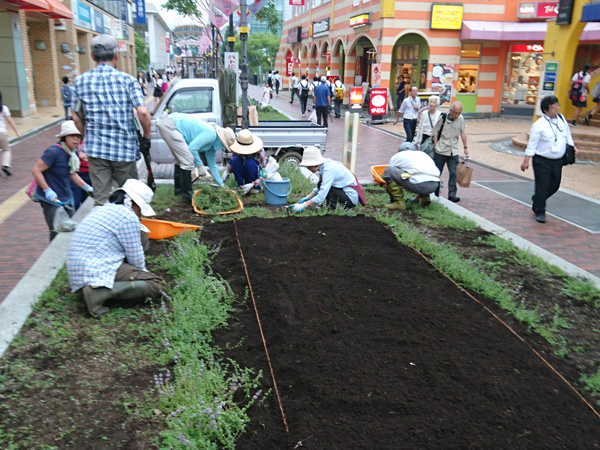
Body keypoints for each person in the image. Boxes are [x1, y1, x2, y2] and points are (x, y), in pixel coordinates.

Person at [66, 178, 165, 317]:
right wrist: (143, 274)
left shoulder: (102, 209)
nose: (141, 214)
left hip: (78, 271)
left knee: (142, 235)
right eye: (141, 209)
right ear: (134, 203)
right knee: (156, 285)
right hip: (95, 267)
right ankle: (99, 292)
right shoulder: (127, 217)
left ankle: (96, 287)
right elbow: (135, 258)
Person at [72, 34, 151, 206]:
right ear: (116, 55)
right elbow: (143, 112)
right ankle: (130, 231)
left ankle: (103, 229)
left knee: (101, 199)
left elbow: (76, 117)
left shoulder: (80, 81)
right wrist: (147, 136)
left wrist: (87, 137)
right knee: (130, 197)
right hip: (125, 149)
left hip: (96, 149)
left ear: (92, 56)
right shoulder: (128, 80)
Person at [31, 121, 93, 240]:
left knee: (70, 229)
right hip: (51, 200)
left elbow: (72, 174)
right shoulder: (53, 151)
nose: (76, 140)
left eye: (78, 136)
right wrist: (47, 190)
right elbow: (36, 170)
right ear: (64, 137)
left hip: (66, 196)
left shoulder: (72, 152)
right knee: (56, 231)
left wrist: (87, 187)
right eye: (72, 136)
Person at [520, 96, 576, 224]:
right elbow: (532, 144)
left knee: (554, 185)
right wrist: (526, 160)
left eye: (557, 105)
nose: (556, 108)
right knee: (542, 185)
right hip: (542, 160)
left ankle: (538, 198)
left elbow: (567, 135)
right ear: (545, 110)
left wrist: (572, 148)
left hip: (558, 160)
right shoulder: (538, 125)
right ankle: (540, 211)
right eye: (552, 106)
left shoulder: (561, 120)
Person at [157, 113, 235, 202]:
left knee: (182, 160)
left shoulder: (212, 144)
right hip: (170, 125)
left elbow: (212, 164)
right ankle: (187, 197)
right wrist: (200, 166)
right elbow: (192, 148)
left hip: (169, 123)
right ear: (222, 140)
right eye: (224, 145)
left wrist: (221, 185)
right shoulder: (211, 134)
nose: (222, 147)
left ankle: (179, 191)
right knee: (188, 161)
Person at [292, 146, 361, 212]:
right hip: (343, 192)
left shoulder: (329, 169)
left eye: (308, 167)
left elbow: (322, 193)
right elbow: (319, 186)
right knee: (322, 183)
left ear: (314, 164)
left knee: (328, 188)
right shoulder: (324, 165)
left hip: (350, 198)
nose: (307, 169)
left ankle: (340, 208)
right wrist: (308, 197)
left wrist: (304, 205)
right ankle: (332, 206)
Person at [382, 142, 441, 210]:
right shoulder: (422, 154)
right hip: (435, 185)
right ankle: (425, 197)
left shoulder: (398, 156)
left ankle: (399, 202)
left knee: (388, 170)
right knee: (419, 174)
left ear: (400, 150)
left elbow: (389, 176)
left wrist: (388, 186)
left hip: (419, 185)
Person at [431, 101, 469, 203]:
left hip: (453, 151)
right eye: (455, 113)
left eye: (459, 113)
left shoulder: (460, 119)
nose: (457, 115)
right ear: (450, 111)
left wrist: (465, 147)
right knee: (437, 172)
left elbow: (463, 133)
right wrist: (436, 146)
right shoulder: (442, 118)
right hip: (441, 150)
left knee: (453, 173)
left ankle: (452, 194)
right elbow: (435, 131)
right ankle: (435, 191)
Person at [223, 129, 268, 195]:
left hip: (254, 176)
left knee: (250, 162)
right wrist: (226, 172)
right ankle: (241, 186)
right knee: (235, 160)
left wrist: (253, 184)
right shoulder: (236, 149)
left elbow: (263, 173)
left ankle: (254, 188)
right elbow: (232, 163)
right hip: (241, 172)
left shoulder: (259, 151)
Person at [0, 91, 21, 176]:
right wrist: (17, 132)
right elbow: (10, 121)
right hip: (2, 132)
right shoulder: (4, 108)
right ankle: (5, 165)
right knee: (6, 149)